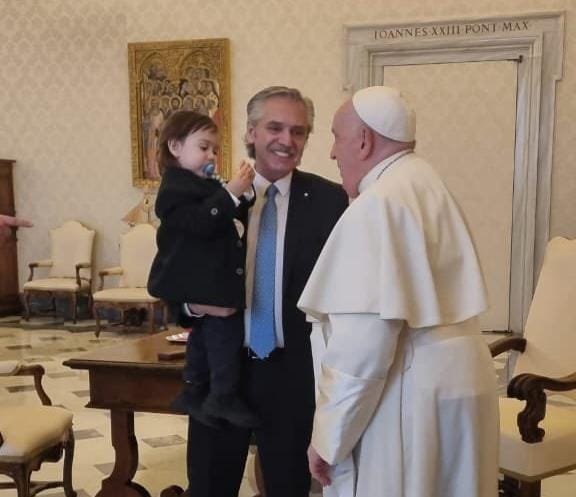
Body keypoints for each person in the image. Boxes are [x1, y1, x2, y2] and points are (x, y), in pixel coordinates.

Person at [298, 86, 499, 497]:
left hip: (411, 396)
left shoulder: (377, 204)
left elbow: (362, 349)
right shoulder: (427, 182)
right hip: (459, 383)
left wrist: (329, 437)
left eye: (336, 137)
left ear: (364, 140)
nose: (333, 153)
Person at [182, 86, 349, 497]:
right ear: (251, 131)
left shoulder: (331, 202)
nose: (287, 140)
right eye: (275, 128)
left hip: (291, 375)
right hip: (221, 371)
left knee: (289, 487)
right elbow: (171, 279)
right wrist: (192, 305)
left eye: (298, 131)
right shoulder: (211, 199)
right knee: (209, 487)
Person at [148, 110, 259, 429]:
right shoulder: (175, 187)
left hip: (209, 279)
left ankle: (194, 389)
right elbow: (203, 221)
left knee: (202, 336)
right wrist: (230, 192)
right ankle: (222, 394)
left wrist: (243, 194)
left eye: (215, 149)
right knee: (224, 336)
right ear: (175, 147)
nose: (211, 155)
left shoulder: (204, 183)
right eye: (203, 147)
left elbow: (228, 213)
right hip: (197, 280)